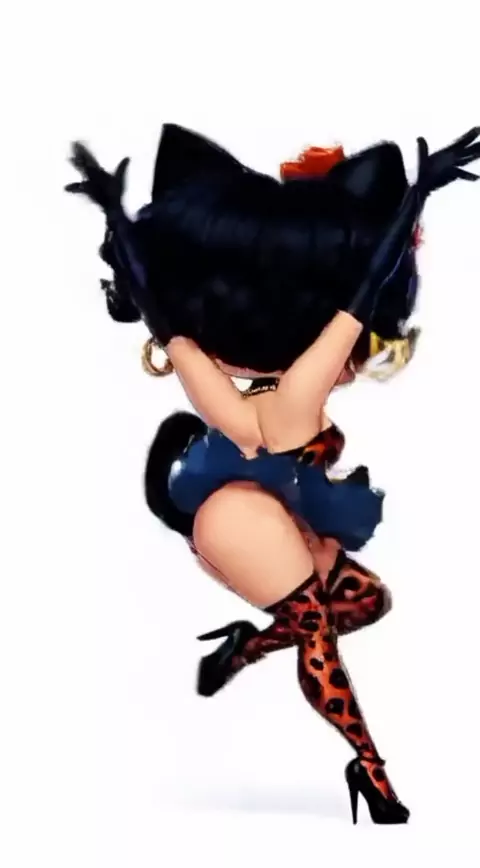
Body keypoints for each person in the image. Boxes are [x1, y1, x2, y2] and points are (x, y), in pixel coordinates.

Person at [66, 123, 480, 824]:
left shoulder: (238, 385)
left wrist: (116, 215)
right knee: (316, 627)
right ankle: (371, 770)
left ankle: (244, 646)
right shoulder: (293, 394)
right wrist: (416, 197)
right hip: (235, 516)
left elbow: (165, 311)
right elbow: (362, 289)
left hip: (272, 503)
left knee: (367, 602)